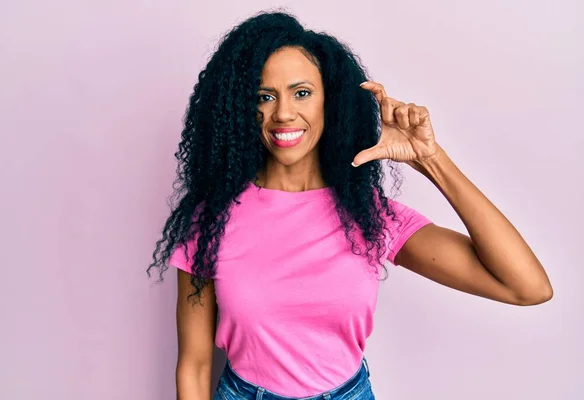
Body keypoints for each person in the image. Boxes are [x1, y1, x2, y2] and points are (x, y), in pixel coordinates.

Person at [146, 10, 553, 400]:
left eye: (301, 93)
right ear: (241, 108)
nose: (283, 113)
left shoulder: (370, 217)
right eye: (264, 96)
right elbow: (195, 366)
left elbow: (526, 287)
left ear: (330, 101)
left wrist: (429, 158)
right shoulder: (210, 222)